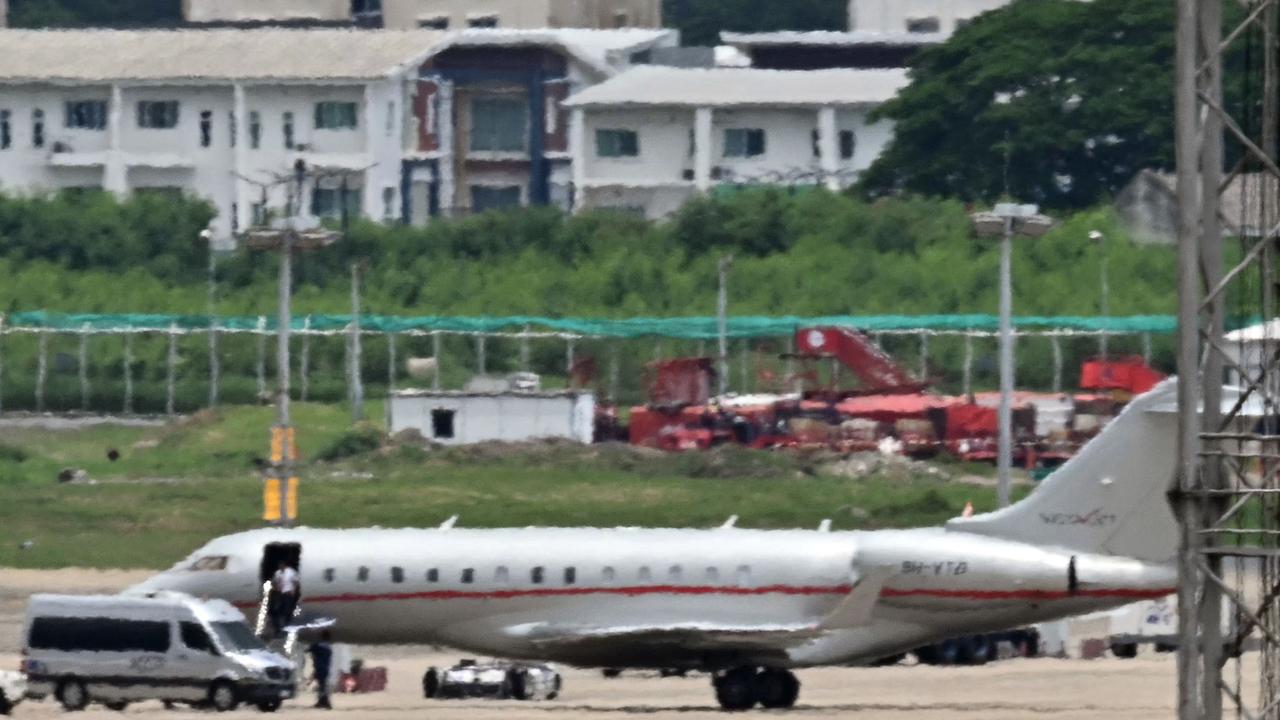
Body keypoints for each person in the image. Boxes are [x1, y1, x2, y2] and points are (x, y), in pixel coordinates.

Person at [271, 561, 299, 636]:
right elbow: (274, 582)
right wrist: (276, 588)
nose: (281, 567)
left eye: (282, 565)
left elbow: (296, 581)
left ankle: (287, 628)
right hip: (280, 594)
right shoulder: (277, 573)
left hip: (288, 594)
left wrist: (293, 590)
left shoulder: (291, 572)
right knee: (276, 611)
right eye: (279, 566)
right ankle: (278, 629)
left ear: (284, 565)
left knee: (287, 611)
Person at [308, 631, 334, 710]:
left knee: (322, 686)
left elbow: (310, 649)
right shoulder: (329, 648)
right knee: (322, 685)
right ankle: (322, 702)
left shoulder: (318, 646)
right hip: (325, 669)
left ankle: (325, 703)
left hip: (319, 668)